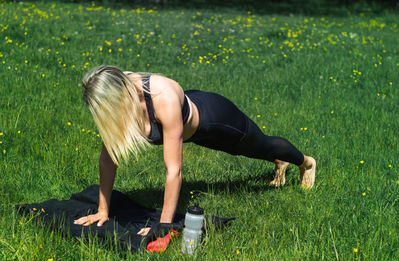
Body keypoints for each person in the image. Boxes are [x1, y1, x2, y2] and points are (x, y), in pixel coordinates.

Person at [74, 65, 316, 237]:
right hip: (194, 131)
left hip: (217, 119)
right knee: (248, 152)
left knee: (261, 145)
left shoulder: (162, 97)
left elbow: (174, 171)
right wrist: (102, 209)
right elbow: (108, 159)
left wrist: (163, 226)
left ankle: (305, 162)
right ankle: (278, 163)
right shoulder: (119, 102)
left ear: (119, 94)